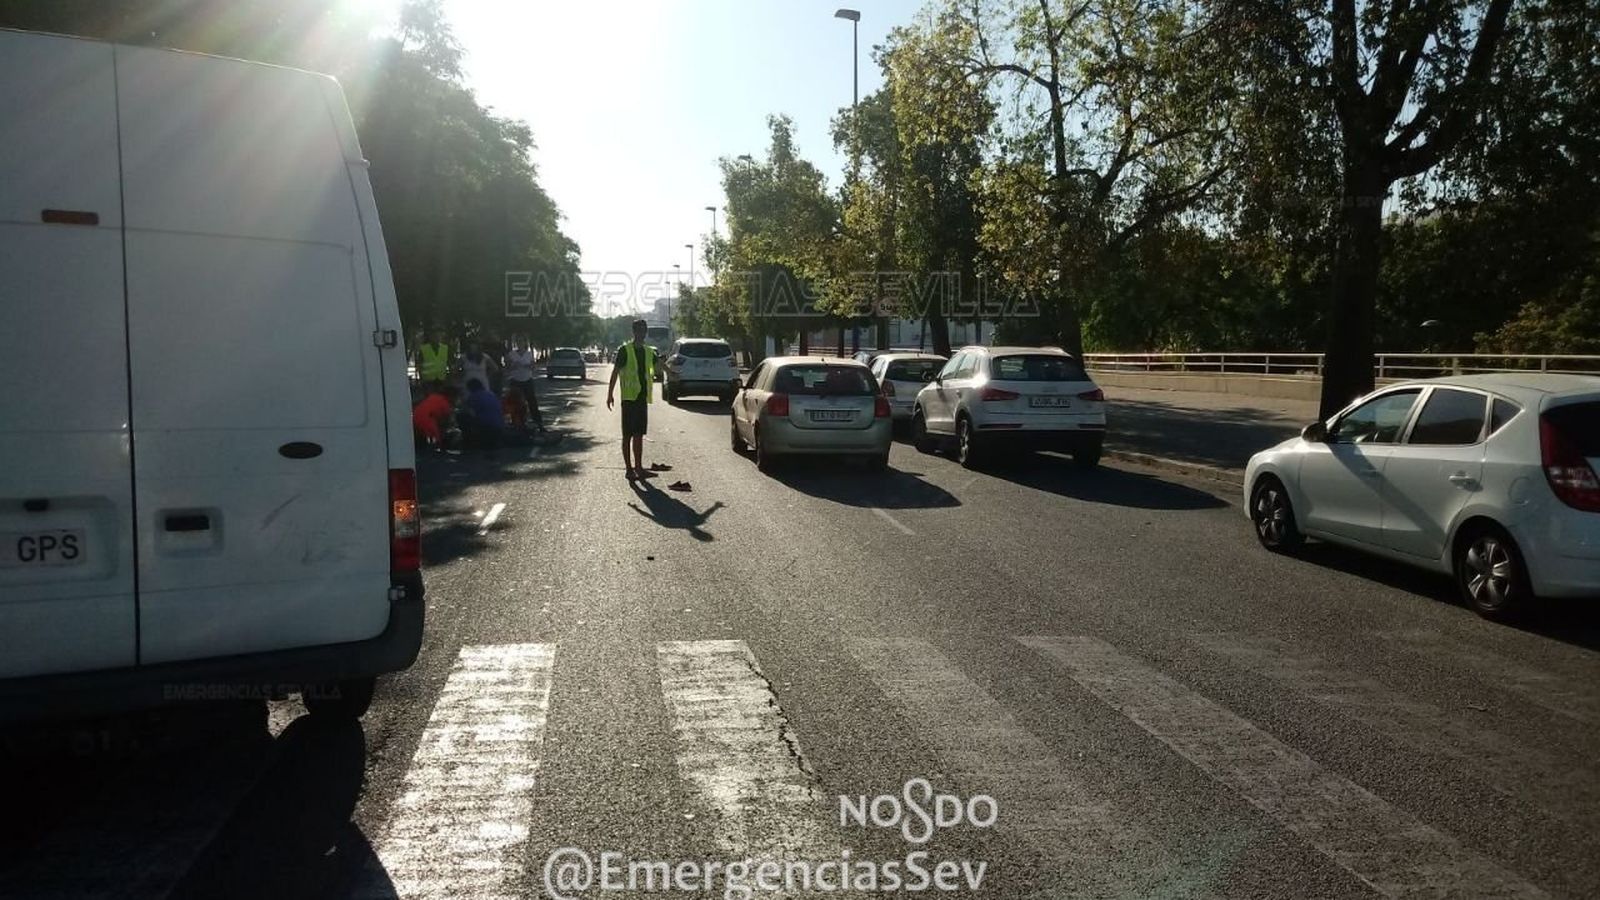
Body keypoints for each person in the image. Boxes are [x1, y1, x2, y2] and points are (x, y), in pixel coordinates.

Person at [606, 319, 658, 479]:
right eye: (639, 330)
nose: (642, 333)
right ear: (634, 332)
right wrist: (610, 394)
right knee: (627, 435)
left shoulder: (648, 351)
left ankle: (639, 468)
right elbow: (615, 372)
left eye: (644, 330)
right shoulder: (624, 350)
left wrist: (671, 373)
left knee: (639, 435)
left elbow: (660, 364)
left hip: (641, 398)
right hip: (628, 399)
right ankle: (629, 470)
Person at [502, 334, 544, 431]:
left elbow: (533, 367)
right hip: (516, 381)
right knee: (516, 403)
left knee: (532, 402)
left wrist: (529, 366)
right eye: (518, 341)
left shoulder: (529, 354)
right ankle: (517, 423)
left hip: (527, 380)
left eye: (521, 341)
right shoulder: (511, 354)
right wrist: (513, 366)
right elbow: (507, 368)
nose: (520, 343)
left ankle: (539, 424)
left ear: (525, 343)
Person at [412, 383, 456, 450]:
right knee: (436, 442)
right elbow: (447, 419)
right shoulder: (445, 402)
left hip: (415, 418)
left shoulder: (433, 396)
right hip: (428, 420)